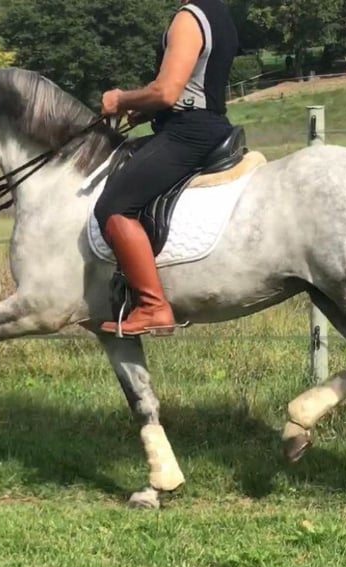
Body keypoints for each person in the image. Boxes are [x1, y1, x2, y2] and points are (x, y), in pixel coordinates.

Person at [94, 0, 239, 337]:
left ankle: (153, 306)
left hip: (190, 133)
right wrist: (149, 112)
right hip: (206, 123)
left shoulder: (188, 18)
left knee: (114, 206)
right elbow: (192, 88)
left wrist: (120, 100)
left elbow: (166, 90)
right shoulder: (219, 15)